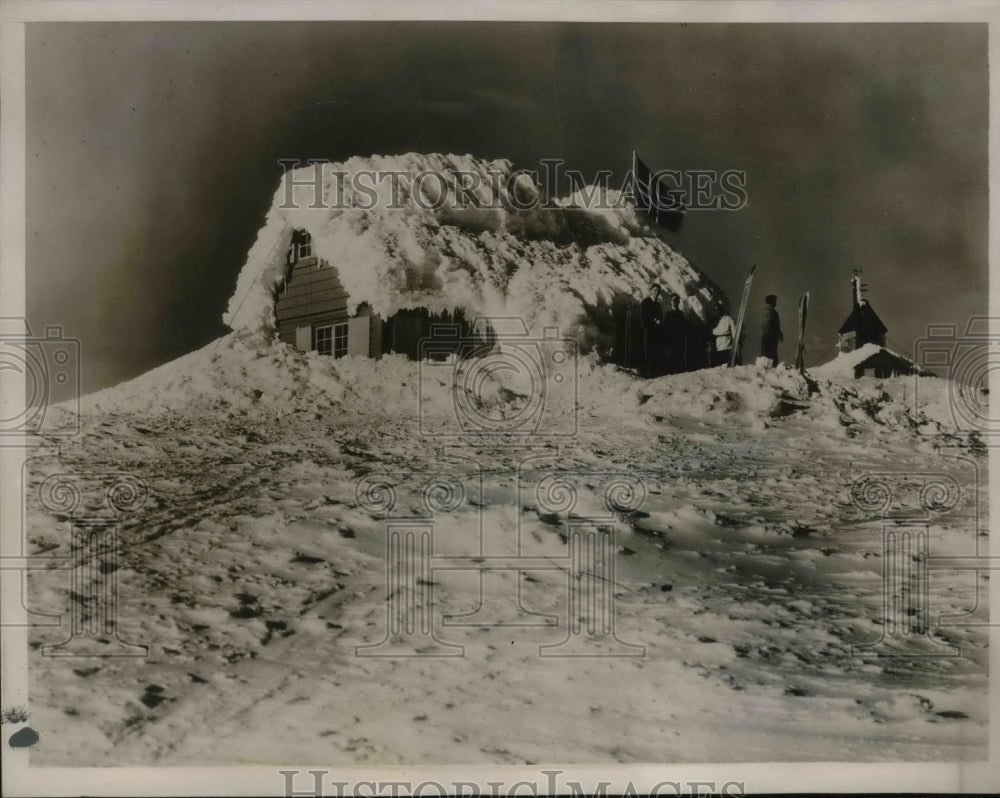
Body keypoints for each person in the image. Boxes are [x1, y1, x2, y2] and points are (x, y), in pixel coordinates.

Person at [639, 283, 664, 377]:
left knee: (655, 352)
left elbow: (661, 318)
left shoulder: (658, 305)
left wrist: (659, 323)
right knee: (648, 352)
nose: (656, 292)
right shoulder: (645, 303)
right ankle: (648, 373)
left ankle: (654, 373)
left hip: (656, 333)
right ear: (651, 291)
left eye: (658, 291)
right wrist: (653, 322)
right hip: (649, 332)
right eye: (655, 290)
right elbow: (643, 318)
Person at [663, 294, 686, 374]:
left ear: (679, 302)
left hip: (679, 340)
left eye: (677, 300)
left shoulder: (681, 314)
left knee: (678, 359)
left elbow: (683, 327)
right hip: (670, 341)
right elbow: (665, 328)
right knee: (670, 359)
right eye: (673, 300)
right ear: (671, 301)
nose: (675, 302)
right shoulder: (668, 314)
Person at [761, 294, 783, 366]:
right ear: (771, 302)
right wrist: (779, 334)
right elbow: (775, 325)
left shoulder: (764, 312)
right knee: (772, 356)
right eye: (775, 301)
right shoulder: (773, 312)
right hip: (771, 337)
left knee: (765, 356)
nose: (776, 302)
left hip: (765, 336)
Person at [711, 300, 734, 367]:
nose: (717, 311)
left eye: (718, 309)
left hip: (727, 348)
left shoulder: (728, 319)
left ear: (721, 310)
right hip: (718, 349)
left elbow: (734, 332)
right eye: (714, 310)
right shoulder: (713, 322)